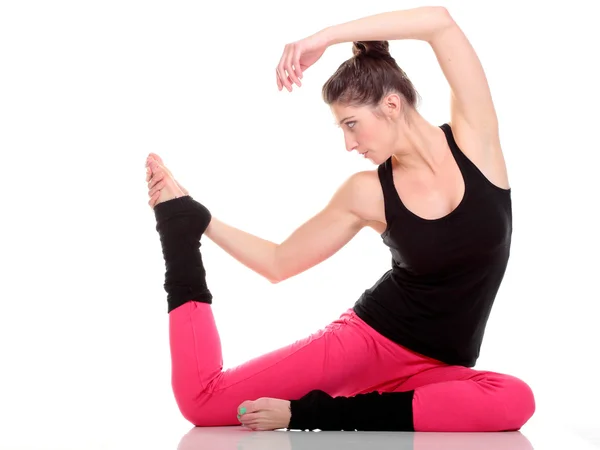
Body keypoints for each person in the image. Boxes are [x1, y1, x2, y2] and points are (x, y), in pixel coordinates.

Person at [144, 6, 536, 432]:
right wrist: (198, 220)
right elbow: (278, 262)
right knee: (202, 402)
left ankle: (333, 413)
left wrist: (324, 38)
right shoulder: (367, 191)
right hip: (365, 344)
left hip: (439, 371)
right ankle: (178, 229)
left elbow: (440, 22)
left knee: (517, 401)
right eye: (342, 129)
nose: (349, 143)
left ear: (391, 104)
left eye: (352, 124)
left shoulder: (477, 141)